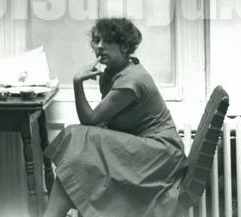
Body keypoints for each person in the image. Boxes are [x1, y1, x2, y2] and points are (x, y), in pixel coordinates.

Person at [43, 18, 187, 217]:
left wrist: (77, 82)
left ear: (125, 46)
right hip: (144, 147)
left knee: (77, 137)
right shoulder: (113, 73)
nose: (99, 46)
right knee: (78, 158)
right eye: (96, 40)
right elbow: (102, 122)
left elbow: (90, 119)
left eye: (107, 41)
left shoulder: (131, 80)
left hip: (160, 153)